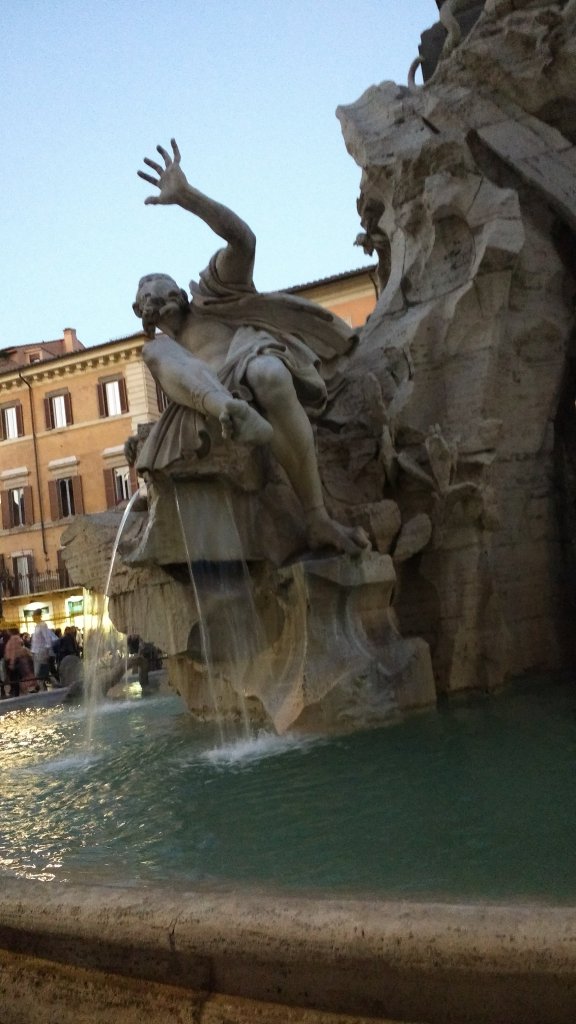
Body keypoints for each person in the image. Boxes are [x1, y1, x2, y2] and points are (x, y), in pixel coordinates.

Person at [134, 139, 369, 556]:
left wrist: (187, 197)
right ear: (140, 310)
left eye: (163, 284)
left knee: (269, 373)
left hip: (248, 363)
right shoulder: (163, 351)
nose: (156, 292)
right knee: (153, 353)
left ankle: (316, 515)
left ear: (180, 292)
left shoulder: (215, 293)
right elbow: (162, 361)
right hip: (205, 402)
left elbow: (243, 241)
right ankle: (231, 410)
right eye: (146, 292)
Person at [30, 611, 56, 688]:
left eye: (34, 616)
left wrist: (47, 652)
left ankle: (44, 687)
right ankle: (42, 687)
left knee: (41, 672)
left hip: (41, 652)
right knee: (37, 672)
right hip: (35, 652)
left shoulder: (43, 625)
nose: (33, 618)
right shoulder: (36, 626)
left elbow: (47, 639)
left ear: (38, 616)